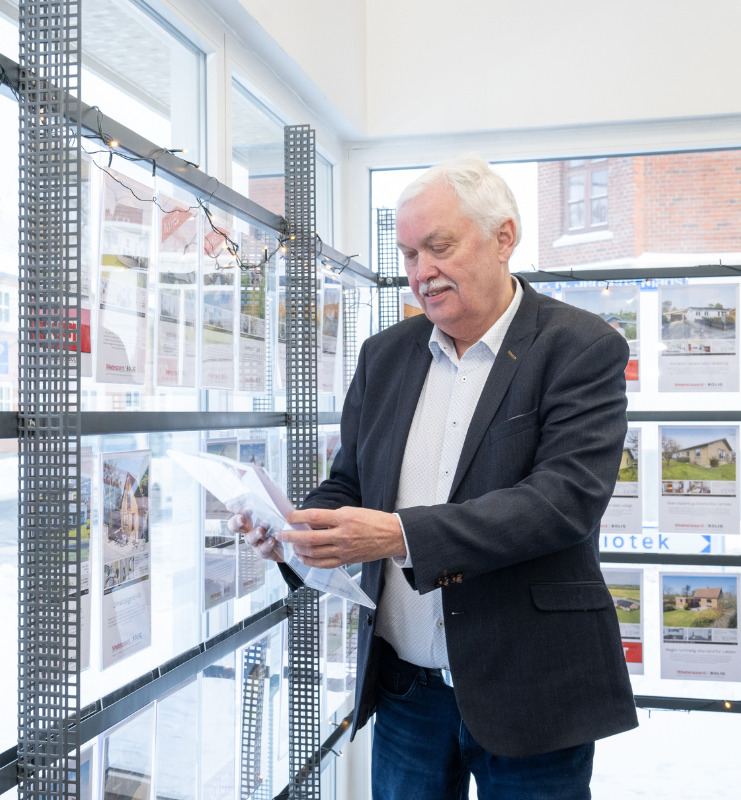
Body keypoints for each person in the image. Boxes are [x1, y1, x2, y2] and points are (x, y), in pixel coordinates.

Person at [236, 156, 638, 799]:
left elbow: (563, 503)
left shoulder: (580, 347)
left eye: (439, 247)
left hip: (531, 688)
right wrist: (295, 525)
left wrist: (398, 536)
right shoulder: (385, 354)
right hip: (405, 692)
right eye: (408, 253)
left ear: (504, 237)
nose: (421, 271)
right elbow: (352, 483)